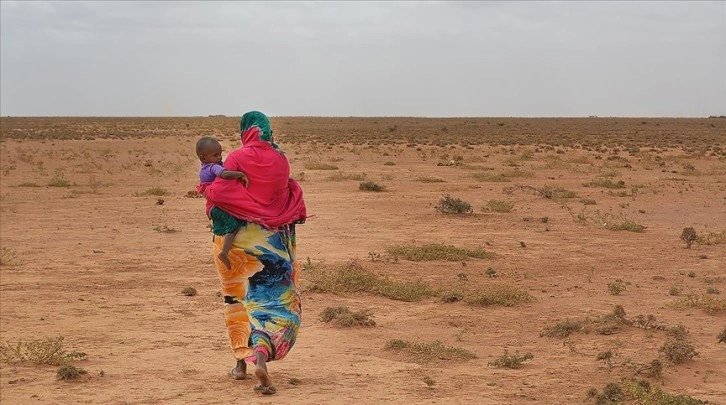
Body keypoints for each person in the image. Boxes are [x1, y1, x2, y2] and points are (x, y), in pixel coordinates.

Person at [203, 111, 307, 395]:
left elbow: (221, 194)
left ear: (245, 131)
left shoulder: (236, 158)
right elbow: (289, 194)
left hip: (234, 244)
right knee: (273, 301)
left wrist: (209, 191)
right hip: (271, 243)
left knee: (236, 300)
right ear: (267, 130)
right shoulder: (280, 158)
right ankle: (261, 353)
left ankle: (240, 365)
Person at [195, 136, 249, 270]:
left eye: (220, 154)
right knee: (234, 224)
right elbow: (224, 175)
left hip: (212, 207)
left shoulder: (204, 167)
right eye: (215, 155)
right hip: (216, 206)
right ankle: (224, 252)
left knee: (222, 227)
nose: (219, 158)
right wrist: (240, 174)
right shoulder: (212, 167)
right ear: (203, 158)